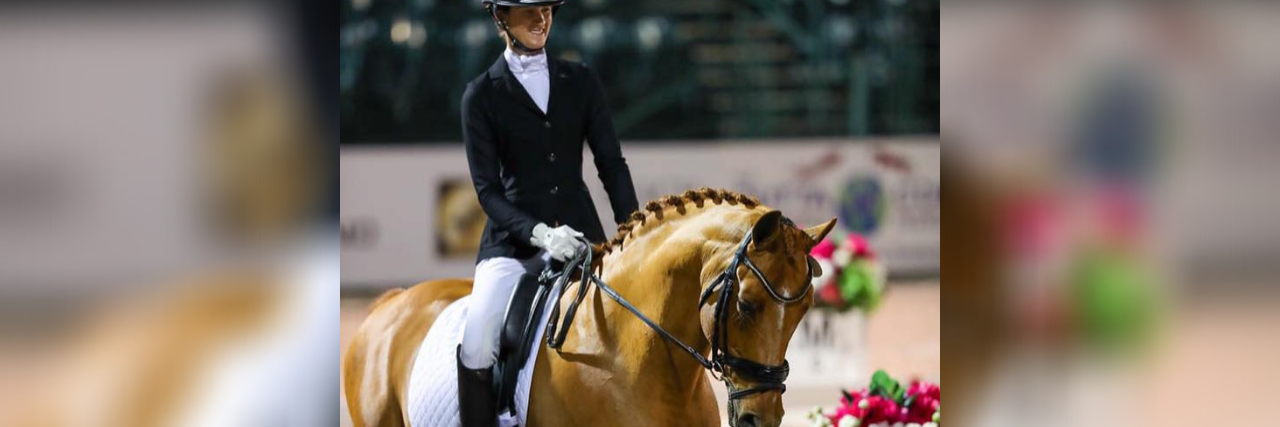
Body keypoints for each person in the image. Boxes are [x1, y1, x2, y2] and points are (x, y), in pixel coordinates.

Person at [457, 1, 640, 426]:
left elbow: (611, 164)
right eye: (527, 11)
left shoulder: (580, 80)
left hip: (584, 238)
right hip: (513, 245)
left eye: (546, 9)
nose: (541, 19)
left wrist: (634, 230)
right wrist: (538, 233)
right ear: (500, 17)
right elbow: (488, 192)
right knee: (478, 339)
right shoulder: (481, 95)